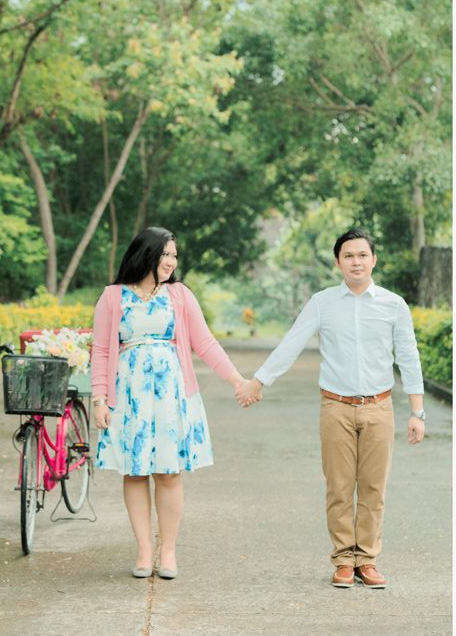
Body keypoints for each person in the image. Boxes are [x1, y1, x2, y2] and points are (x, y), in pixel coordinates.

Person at [235, 228, 425, 589]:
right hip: (335, 407)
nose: (356, 261)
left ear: (373, 259)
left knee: (373, 488)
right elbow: (291, 343)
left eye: (362, 255)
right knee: (339, 487)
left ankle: (366, 560)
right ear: (338, 262)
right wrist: (257, 383)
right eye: (349, 256)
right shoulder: (322, 302)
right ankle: (342, 559)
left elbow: (409, 357)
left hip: (379, 407)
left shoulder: (393, 304)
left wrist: (417, 411)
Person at [91, 226, 247, 580]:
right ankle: (144, 551)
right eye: (166, 254)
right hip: (128, 397)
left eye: (174, 255)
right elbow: (100, 351)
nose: (171, 261)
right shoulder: (112, 297)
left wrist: (238, 380)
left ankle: (169, 551)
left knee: (168, 472)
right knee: (134, 472)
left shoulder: (179, 294)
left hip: (171, 396)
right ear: (145, 253)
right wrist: (100, 399)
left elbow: (204, 343)